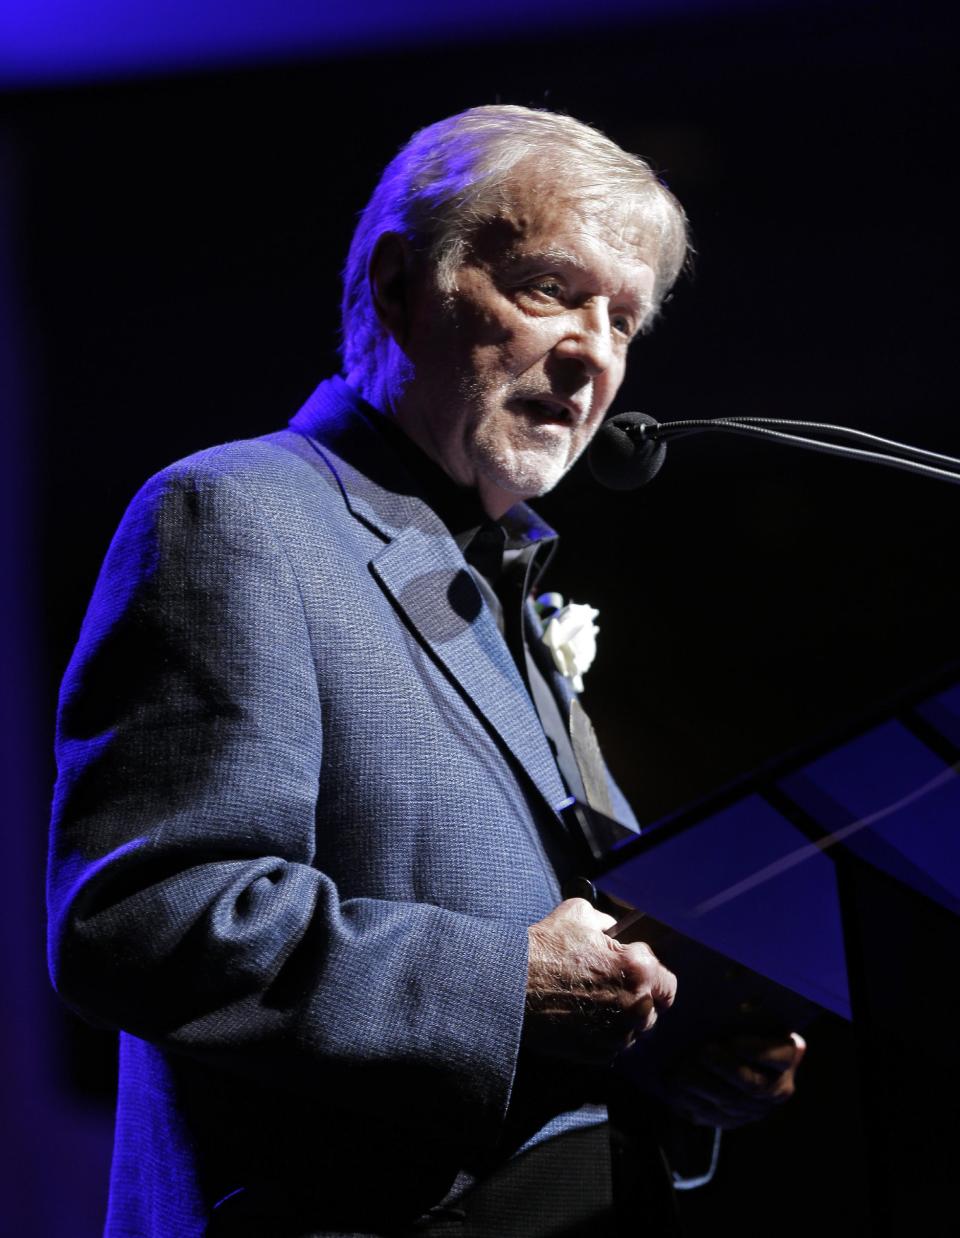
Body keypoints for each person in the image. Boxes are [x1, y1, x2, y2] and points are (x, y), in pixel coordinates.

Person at [48, 105, 804, 1238]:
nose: (596, 350)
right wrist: (504, 981)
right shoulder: (239, 513)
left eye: (625, 318)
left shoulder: (499, 579)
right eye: (551, 287)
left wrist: (682, 1048)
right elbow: (140, 916)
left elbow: (576, 959)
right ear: (401, 285)